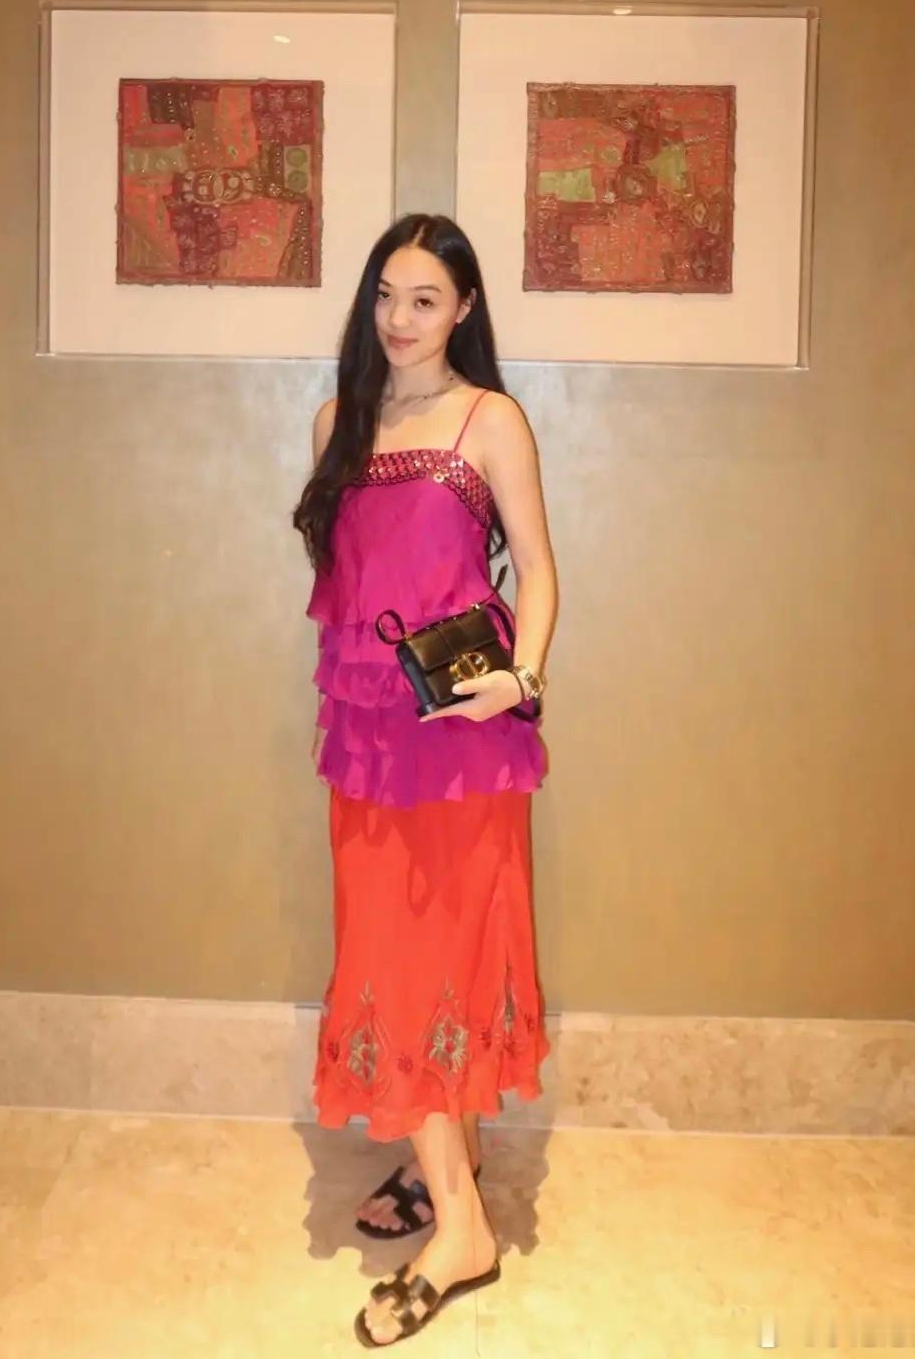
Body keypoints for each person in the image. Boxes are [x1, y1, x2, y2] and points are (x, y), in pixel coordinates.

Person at [292, 211, 558, 1346]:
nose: (399, 320)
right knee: (387, 952)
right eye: (386, 296)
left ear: (464, 311)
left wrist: (521, 679)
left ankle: (461, 1229)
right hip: (366, 737)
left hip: (464, 737)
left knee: (443, 952)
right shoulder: (337, 423)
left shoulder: (491, 419)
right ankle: (450, 1162)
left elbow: (537, 570)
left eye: (425, 300)